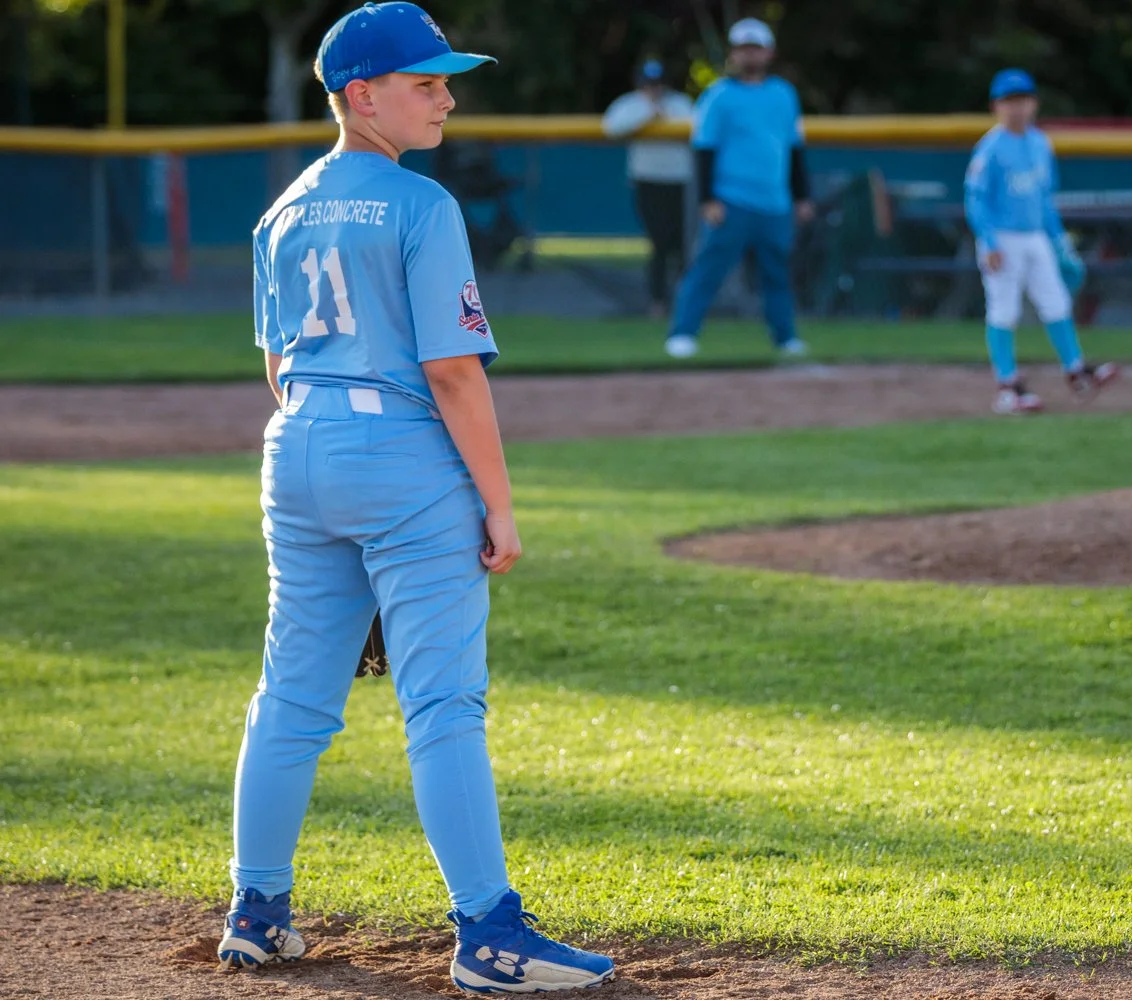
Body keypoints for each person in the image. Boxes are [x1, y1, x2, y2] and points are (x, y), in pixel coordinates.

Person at [217, 3, 615, 993]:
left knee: (292, 698)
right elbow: (452, 373)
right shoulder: (421, 204)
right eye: (425, 82)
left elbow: (277, 367)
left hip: (297, 446)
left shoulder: (282, 209)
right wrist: (498, 505)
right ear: (361, 95)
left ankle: (256, 912)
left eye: (445, 81)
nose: (446, 98)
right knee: (442, 703)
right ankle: (490, 935)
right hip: (400, 458)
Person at [964, 69, 1118, 415]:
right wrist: (988, 241)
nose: (1016, 108)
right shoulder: (990, 148)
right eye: (1008, 101)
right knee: (1004, 309)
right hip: (1002, 237)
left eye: (1022, 100)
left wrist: (1060, 243)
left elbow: (1045, 200)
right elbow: (976, 200)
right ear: (995, 107)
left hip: (1035, 235)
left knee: (1056, 302)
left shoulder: (1040, 144)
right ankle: (1007, 387)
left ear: (1033, 104)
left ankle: (1076, 371)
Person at [664, 17, 814, 359]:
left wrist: (802, 196)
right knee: (708, 269)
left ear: (769, 52)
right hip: (731, 201)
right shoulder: (719, 96)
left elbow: (794, 149)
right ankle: (682, 334)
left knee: (777, 274)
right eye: (744, 48)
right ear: (733, 53)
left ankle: (785, 338)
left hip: (774, 202)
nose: (750, 55)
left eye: (755, 48)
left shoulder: (783, 94)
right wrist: (707, 199)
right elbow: (704, 149)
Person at [603, 59, 696, 318]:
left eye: (657, 83)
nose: (653, 89)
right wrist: (647, 117)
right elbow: (611, 128)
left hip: (679, 181)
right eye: (648, 84)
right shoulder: (630, 105)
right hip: (648, 181)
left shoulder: (680, 104)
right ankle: (658, 301)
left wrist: (664, 117)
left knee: (682, 243)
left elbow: (699, 127)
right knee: (659, 242)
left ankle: (686, 300)